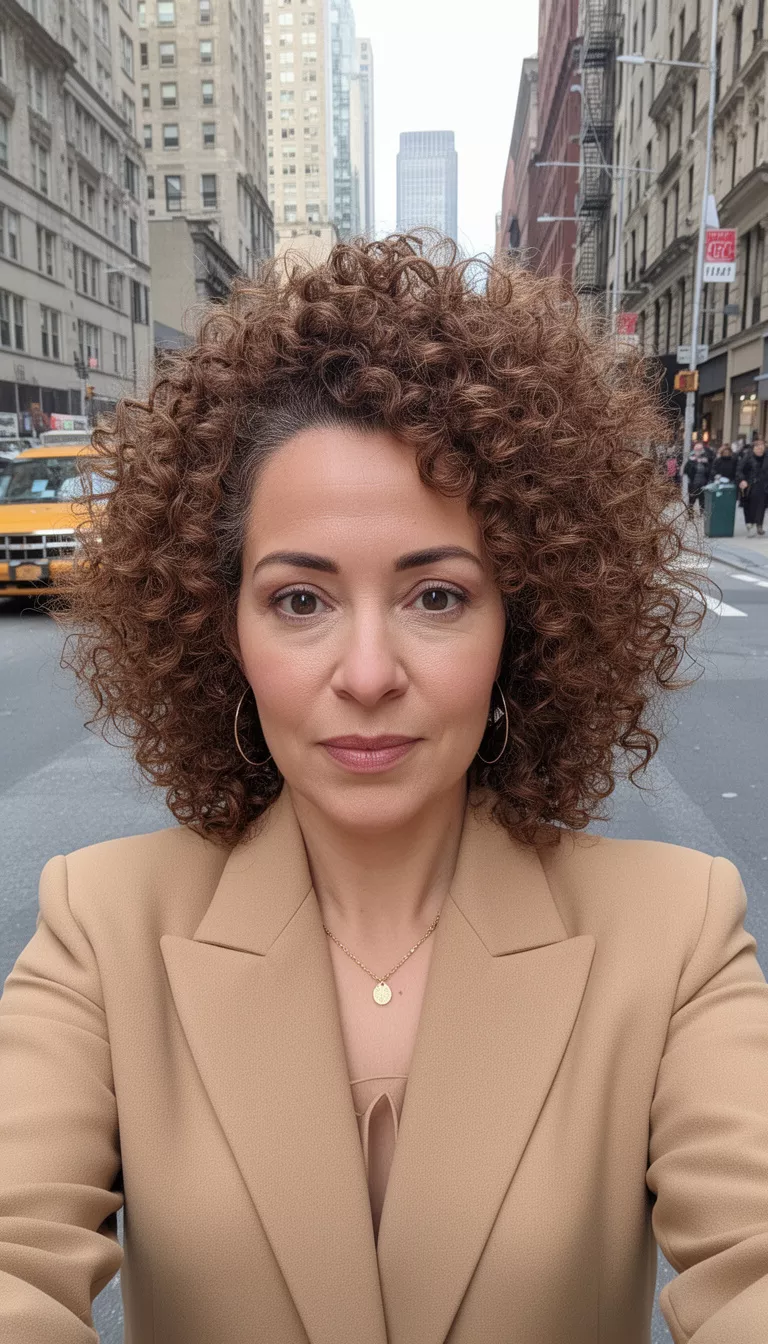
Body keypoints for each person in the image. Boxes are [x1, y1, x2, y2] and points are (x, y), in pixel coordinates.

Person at [2, 235, 768, 1344]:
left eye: (438, 598)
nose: (367, 674)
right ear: (224, 629)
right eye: (301, 601)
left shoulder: (677, 933)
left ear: (525, 618)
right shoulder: (100, 929)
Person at [739, 436, 768, 535]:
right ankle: (750, 524)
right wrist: (742, 480)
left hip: (763, 485)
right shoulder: (748, 457)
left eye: (762, 447)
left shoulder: (766, 457)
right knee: (749, 506)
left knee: (762, 506)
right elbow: (740, 470)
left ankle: (759, 525)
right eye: (758, 447)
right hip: (750, 485)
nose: (760, 449)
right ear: (754, 448)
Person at [683, 439, 711, 516]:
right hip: (693, 483)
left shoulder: (705, 458)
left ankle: (702, 514)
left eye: (700, 449)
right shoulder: (691, 459)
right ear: (694, 450)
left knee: (702, 500)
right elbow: (686, 471)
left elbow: (709, 471)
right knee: (692, 500)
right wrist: (693, 462)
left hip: (703, 483)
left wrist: (705, 463)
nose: (699, 451)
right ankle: (690, 515)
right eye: (697, 449)